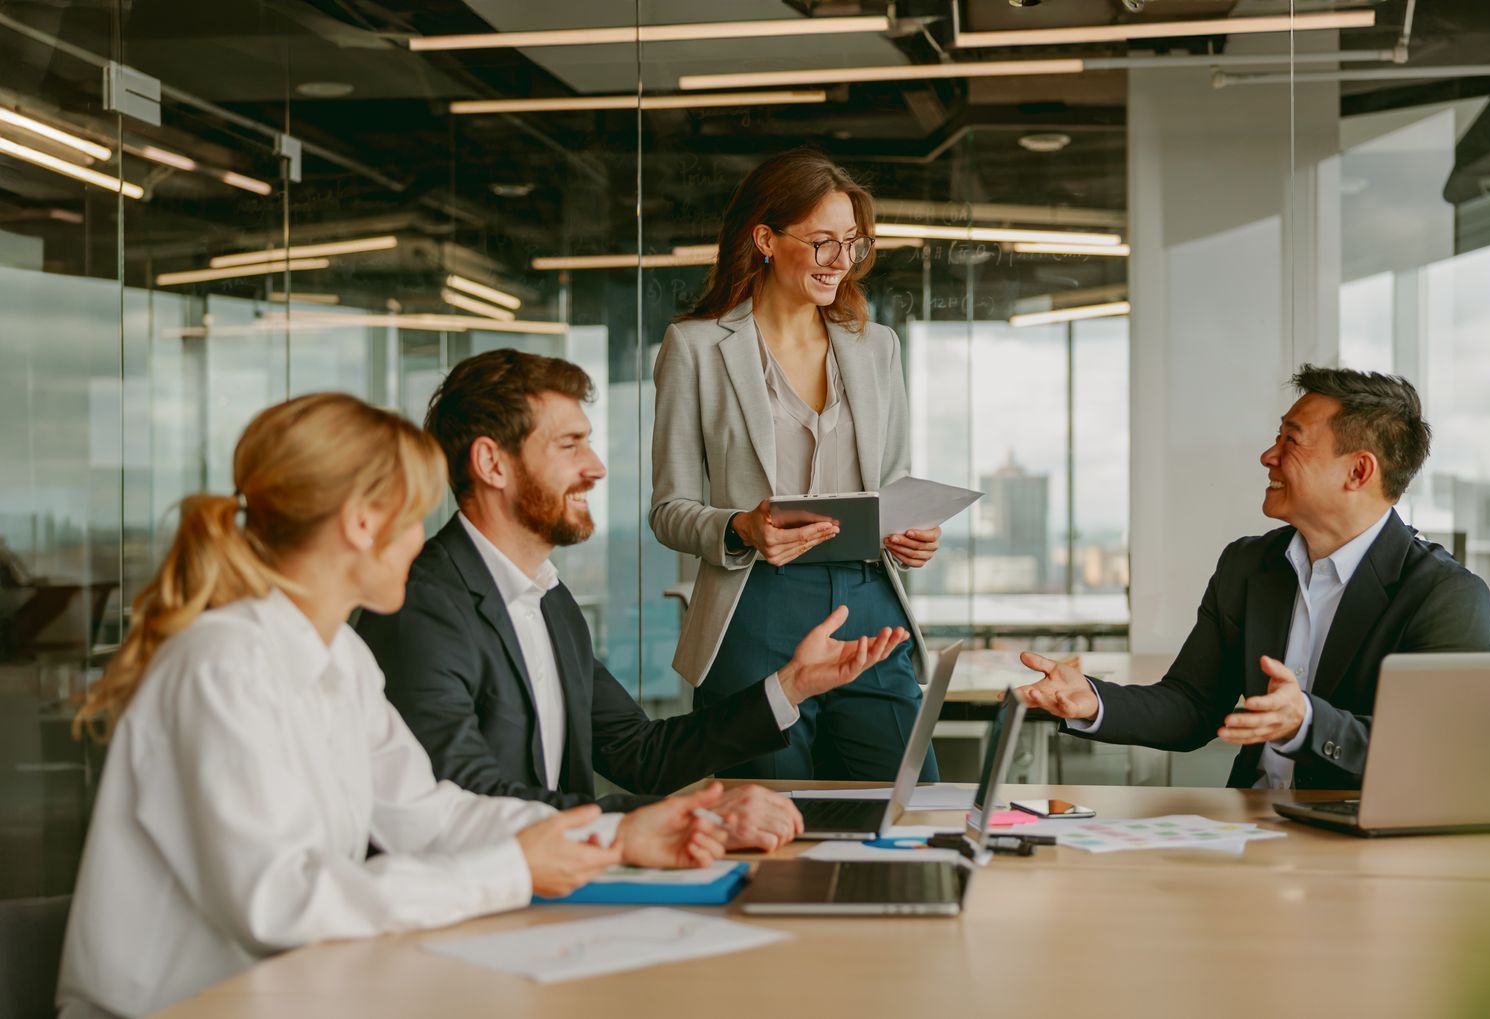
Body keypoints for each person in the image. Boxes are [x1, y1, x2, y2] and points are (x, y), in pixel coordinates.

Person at [57, 394, 725, 1019]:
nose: (421, 543)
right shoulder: (222, 663)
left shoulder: (341, 656)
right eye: (414, 519)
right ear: (361, 522)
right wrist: (514, 867)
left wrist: (612, 838)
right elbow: (282, 902)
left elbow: (429, 815)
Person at [357, 349, 909, 850]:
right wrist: (691, 820)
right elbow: (471, 801)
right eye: (570, 445)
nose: (596, 467)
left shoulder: (548, 599)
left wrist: (792, 685)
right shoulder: (420, 608)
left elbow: (640, 754)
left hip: (559, 891)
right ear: (492, 463)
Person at [1015, 366, 1490, 790]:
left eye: (1291, 441)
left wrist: (1307, 723)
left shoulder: (1446, 595)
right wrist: (1095, 701)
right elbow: (1193, 706)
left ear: (1358, 471)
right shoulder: (1248, 565)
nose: (1269, 455)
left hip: (1361, 846)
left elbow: (1434, 754)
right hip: (1251, 830)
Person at [651, 147, 941, 782]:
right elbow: (669, 512)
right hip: (754, 605)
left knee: (909, 805)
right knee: (772, 820)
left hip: (870, 603)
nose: (842, 262)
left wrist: (911, 532)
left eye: (853, 244)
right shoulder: (696, 348)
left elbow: (892, 483)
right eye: (822, 243)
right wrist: (741, 528)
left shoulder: (875, 347)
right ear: (765, 239)